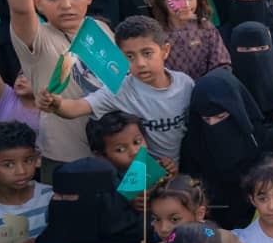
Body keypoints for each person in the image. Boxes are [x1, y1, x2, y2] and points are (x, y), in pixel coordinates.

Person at [5, 0, 113, 179]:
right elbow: (20, 9)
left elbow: (121, 86)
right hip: (65, 160)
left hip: (116, 155)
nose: (66, 5)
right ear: (38, 3)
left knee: (133, 206)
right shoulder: (37, 39)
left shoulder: (100, 29)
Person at [38, 15, 194, 163]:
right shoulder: (120, 90)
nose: (140, 63)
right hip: (143, 172)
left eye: (147, 53)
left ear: (165, 51)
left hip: (186, 164)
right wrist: (56, 104)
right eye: (130, 56)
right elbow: (77, 107)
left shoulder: (185, 84)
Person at [180, 69, 273, 229]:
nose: (213, 125)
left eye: (221, 117)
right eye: (206, 119)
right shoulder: (193, 146)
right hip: (213, 230)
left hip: (267, 225)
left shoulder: (266, 139)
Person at [0, 121, 51, 243]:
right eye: (8, 165)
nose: (21, 171)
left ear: (37, 158)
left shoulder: (51, 197)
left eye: (28, 161)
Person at [149, 0, 231, 80]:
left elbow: (222, 64)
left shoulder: (206, 28)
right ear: (162, 1)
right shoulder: (155, 35)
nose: (186, 4)